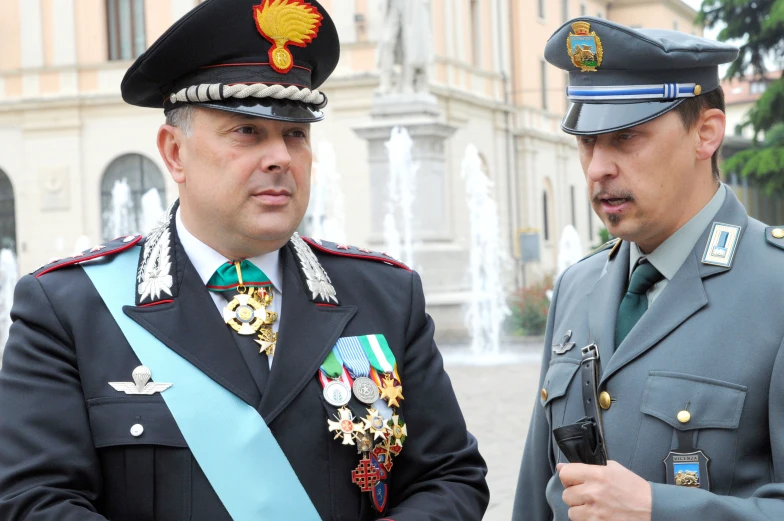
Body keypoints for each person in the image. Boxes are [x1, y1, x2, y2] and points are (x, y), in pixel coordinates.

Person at [0, 1, 489, 520]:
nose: (280, 157)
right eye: (247, 132)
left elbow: (449, 477)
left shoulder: (385, 296)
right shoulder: (70, 310)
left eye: (295, 135)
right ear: (174, 153)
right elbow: (36, 500)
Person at [512, 16, 784, 521]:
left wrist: (659, 509)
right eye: (587, 142)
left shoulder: (777, 289)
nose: (597, 168)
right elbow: (537, 494)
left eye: (626, 137)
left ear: (706, 134)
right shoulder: (577, 286)